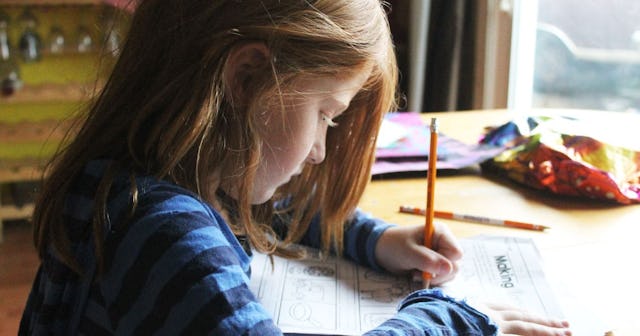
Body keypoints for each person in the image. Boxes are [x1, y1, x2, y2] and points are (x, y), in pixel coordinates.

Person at [19, 0, 572, 335]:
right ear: (246, 79)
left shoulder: (158, 174)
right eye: (326, 114)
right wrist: (457, 318)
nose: (320, 152)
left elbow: (272, 208)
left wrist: (375, 240)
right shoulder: (161, 232)